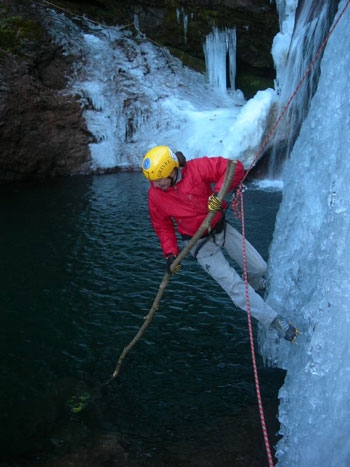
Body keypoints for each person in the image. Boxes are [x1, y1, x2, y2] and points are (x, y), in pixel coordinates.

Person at [141, 145, 297, 341]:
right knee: (234, 286)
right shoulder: (155, 195)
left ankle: (256, 286)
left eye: (158, 180)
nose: (155, 184)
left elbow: (235, 168)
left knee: (259, 267)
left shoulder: (197, 168)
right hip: (198, 244)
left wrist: (218, 194)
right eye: (152, 181)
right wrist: (171, 254)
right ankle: (274, 321)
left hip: (220, 227)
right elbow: (162, 226)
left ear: (172, 170)